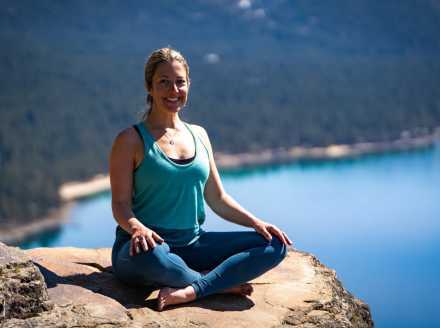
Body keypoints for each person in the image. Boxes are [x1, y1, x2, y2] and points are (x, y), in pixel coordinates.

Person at [109, 47, 292, 311]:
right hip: (144, 247)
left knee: (275, 245)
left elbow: (218, 198)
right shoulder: (130, 140)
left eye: (180, 82)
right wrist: (137, 228)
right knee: (153, 257)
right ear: (149, 87)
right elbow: (120, 205)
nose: (174, 90)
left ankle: (192, 290)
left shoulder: (199, 135)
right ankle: (215, 284)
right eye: (164, 82)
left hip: (193, 243)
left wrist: (257, 223)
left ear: (188, 85)